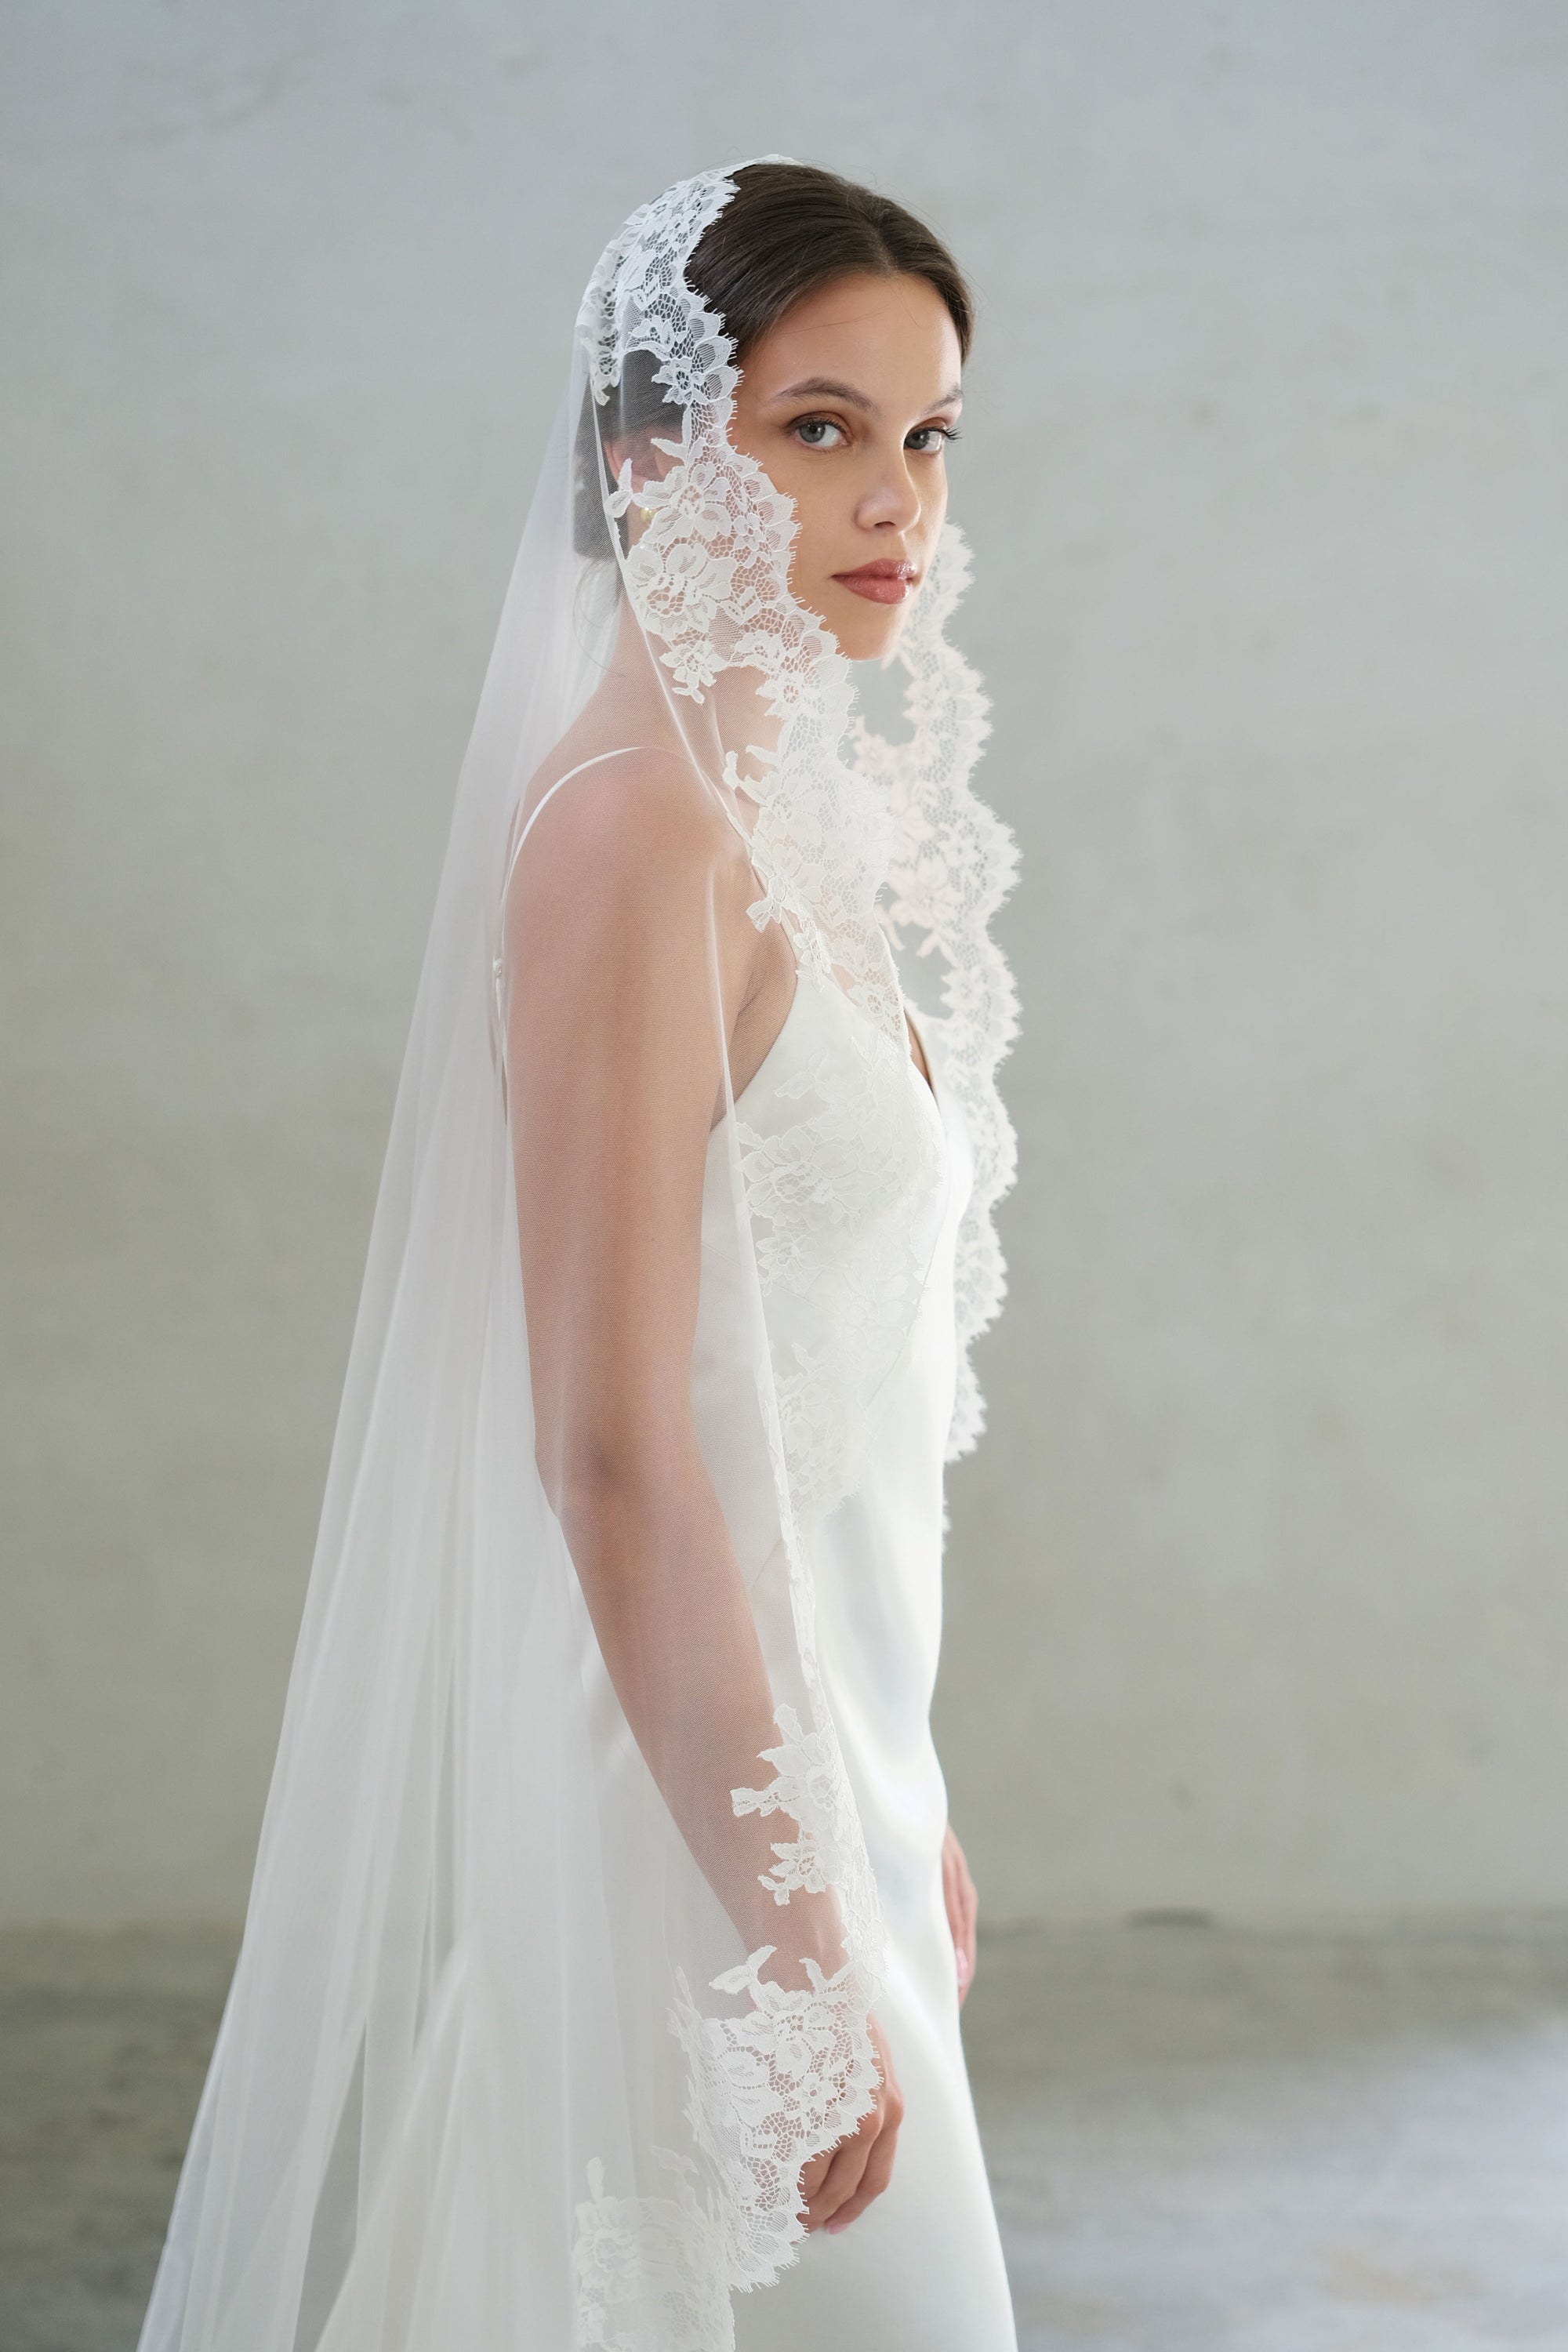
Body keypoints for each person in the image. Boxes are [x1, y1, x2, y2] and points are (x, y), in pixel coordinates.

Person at [138, 160, 1020, 2352]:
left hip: (820, 1789)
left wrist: (889, 1813)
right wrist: (793, 1940)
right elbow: (616, 1450)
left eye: (925, 434)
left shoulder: (776, 809)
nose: (892, 495)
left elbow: (805, 1409)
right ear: (647, 455)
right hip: (699, 1847)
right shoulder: (637, 831)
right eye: (818, 426)